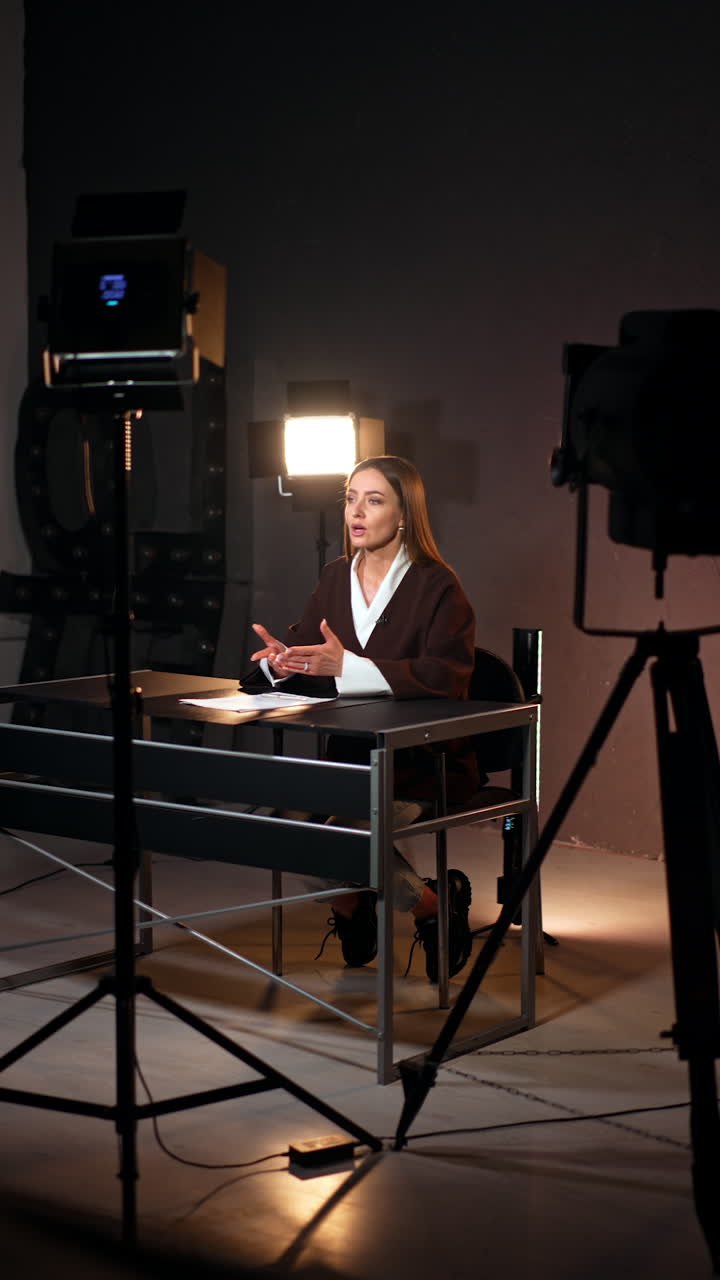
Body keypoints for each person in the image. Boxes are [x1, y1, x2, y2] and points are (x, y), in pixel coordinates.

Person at [249, 455, 480, 982]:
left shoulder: (438, 586)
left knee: (340, 840)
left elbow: (446, 676)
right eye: (351, 497)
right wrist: (286, 665)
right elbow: (315, 661)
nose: (356, 511)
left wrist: (347, 668)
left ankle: (419, 908)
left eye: (373, 500)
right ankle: (379, 905)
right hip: (349, 763)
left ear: (404, 515)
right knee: (289, 835)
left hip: (423, 766)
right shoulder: (334, 577)